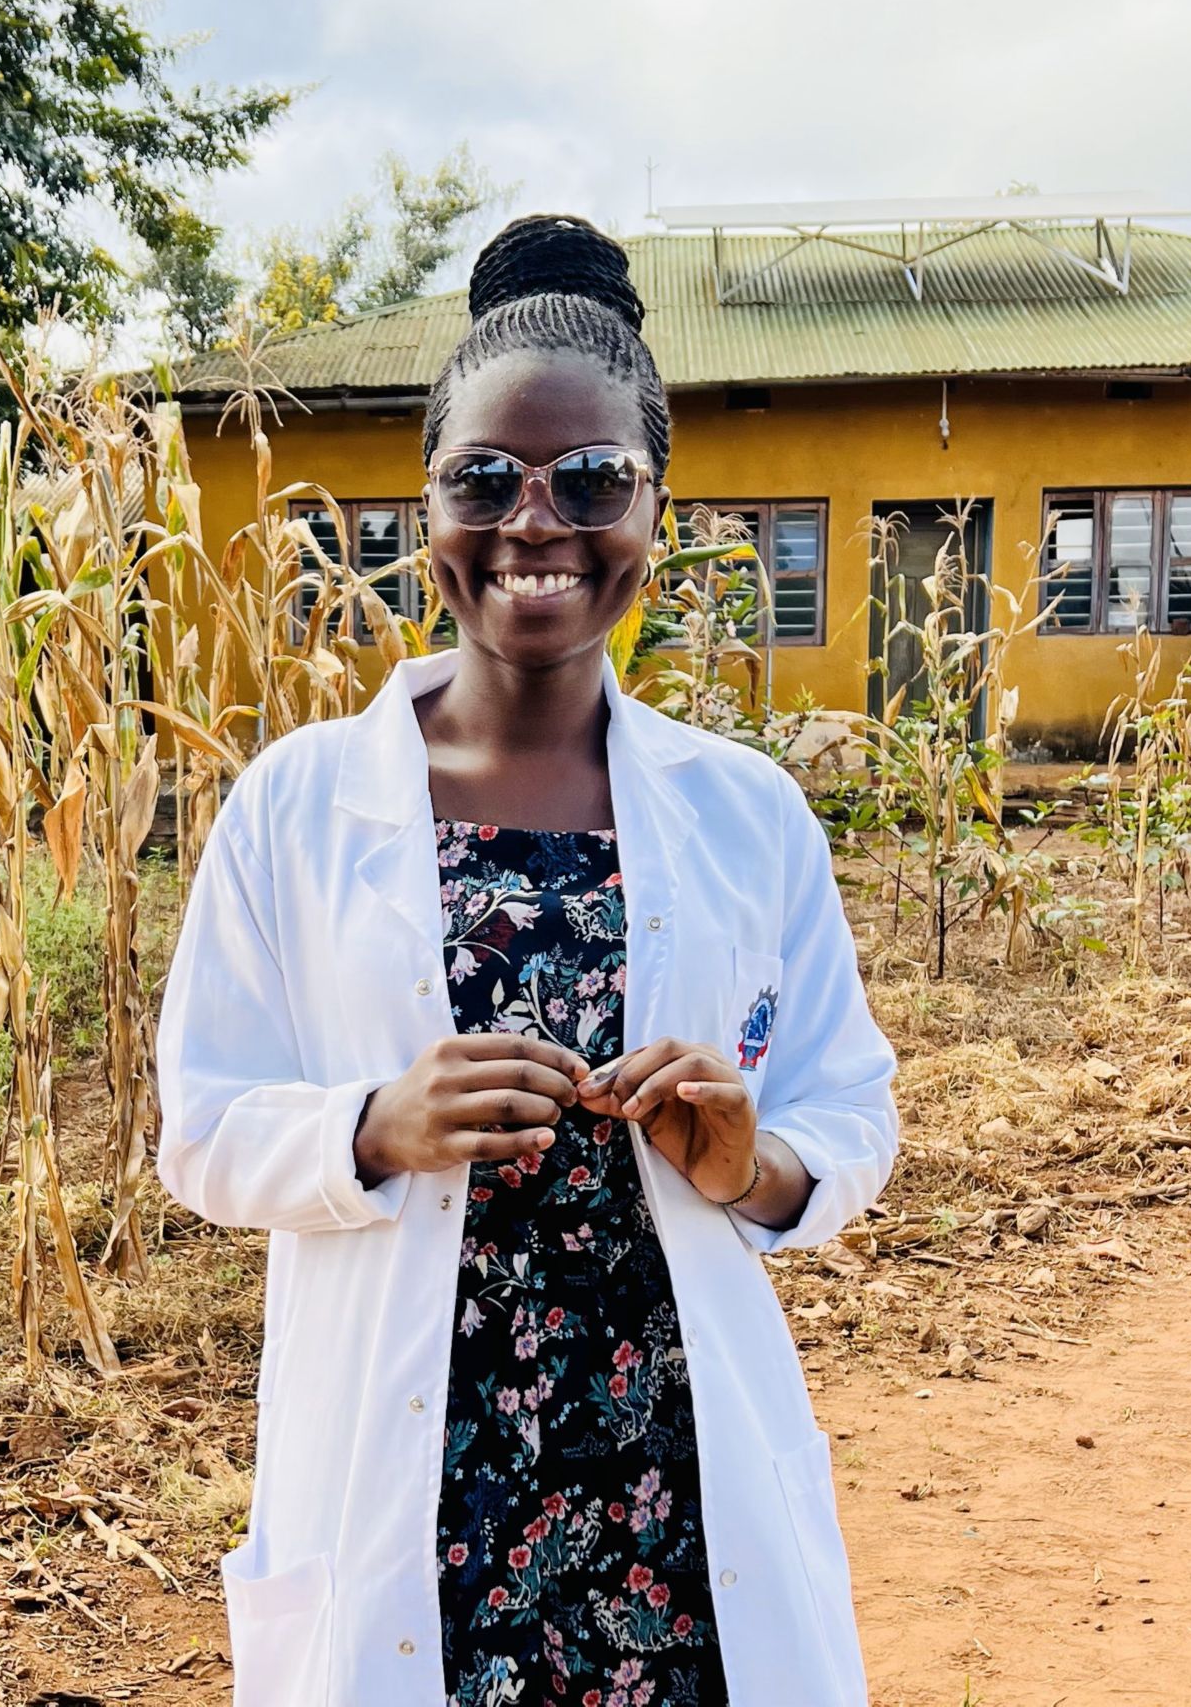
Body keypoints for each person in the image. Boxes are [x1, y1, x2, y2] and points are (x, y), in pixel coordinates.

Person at [158, 215, 899, 1707]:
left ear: (655, 505)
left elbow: (853, 1115)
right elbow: (201, 1128)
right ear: (428, 506)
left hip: (669, 1499)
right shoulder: (298, 806)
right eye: (484, 479)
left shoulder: (745, 814)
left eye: (593, 480)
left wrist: (753, 1163)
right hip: (410, 1483)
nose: (535, 521)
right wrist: (371, 1125)